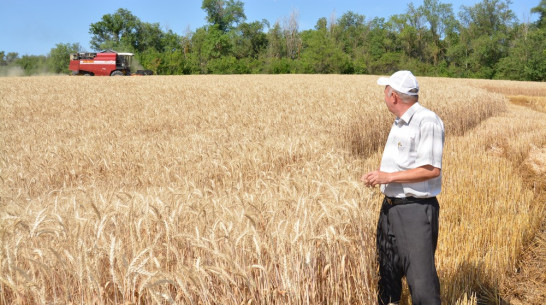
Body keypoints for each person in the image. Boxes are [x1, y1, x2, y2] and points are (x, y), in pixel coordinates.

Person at [362, 70, 444, 305]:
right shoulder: (399, 122)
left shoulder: (426, 121)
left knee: (421, 284)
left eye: (385, 91)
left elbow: (431, 170)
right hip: (390, 207)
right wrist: (381, 178)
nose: (384, 96)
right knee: (387, 274)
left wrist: (388, 176)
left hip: (415, 210)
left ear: (394, 96)